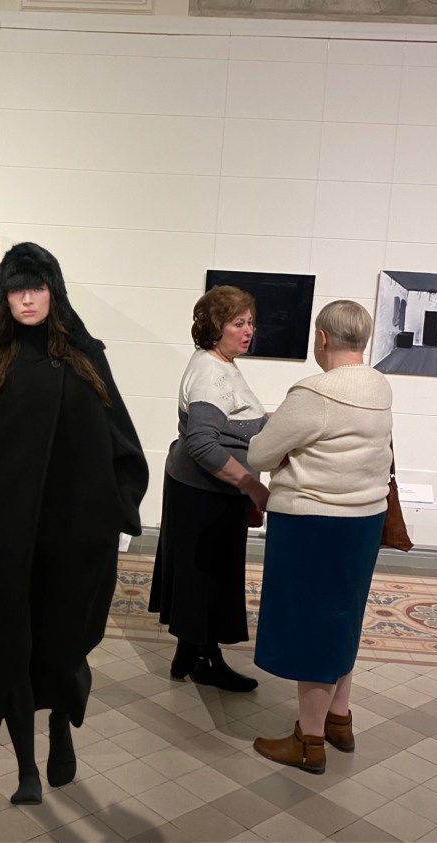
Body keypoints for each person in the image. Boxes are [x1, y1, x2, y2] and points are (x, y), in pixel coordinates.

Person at [0, 242, 148, 806]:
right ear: (4, 297)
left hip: (71, 537)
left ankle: (59, 725)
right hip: (4, 536)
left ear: (54, 291)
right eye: (16, 290)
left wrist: (118, 506)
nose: (26, 299)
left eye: (36, 287)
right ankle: (25, 766)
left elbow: (120, 438)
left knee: (62, 644)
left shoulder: (86, 359)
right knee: (10, 645)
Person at [247, 300, 392, 774]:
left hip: (313, 523)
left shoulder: (314, 392)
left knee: (311, 625)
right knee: (342, 618)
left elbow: (260, 455)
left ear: (323, 338)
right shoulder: (379, 385)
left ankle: (308, 741)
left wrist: (276, 431)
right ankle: (338, 719)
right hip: (365, 520)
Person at [148, 286, 270, 692]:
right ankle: (205, 662)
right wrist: (251, 485)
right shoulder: (210, 374)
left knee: (199, 576)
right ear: (216, 327)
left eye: (250, 322)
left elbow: (233, 422)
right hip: (203, 494)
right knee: (206, 578)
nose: (248, 330)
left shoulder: (220, 363)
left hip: (205, 492)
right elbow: (202, 442)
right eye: (238, 323)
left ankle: (189, 653)